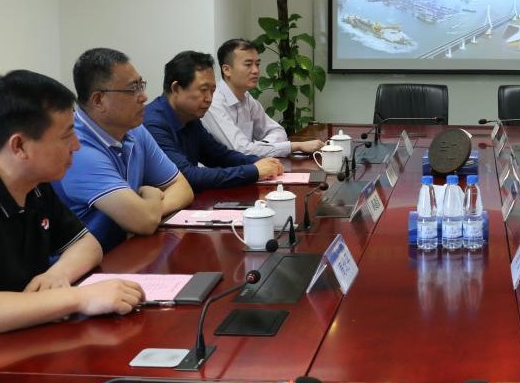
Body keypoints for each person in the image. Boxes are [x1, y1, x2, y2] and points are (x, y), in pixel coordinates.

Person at [0, 70, 144, 375]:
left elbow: (87, 244)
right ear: (19, 146)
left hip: (14, 341)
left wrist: (59, 274)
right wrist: (77, 298)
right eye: (66, 136)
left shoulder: (33, 183)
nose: (76, 145)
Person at [53, 48, 193, 251]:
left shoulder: (134, 129)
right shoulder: (77, 149)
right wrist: (151, 196)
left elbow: (182, 187)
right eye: (132, 89)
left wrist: (151, 210)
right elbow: (144, 222)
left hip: (124, 250)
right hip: (85, 263)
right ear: (98, 100)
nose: (143, 97)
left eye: (141, 85)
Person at [144, 50, 283, 192]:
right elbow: (186, 177)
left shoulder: (190, 117)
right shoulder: (152, 124)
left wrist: (258, 161)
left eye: (212, 91)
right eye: (203, 90)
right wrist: (254, 171)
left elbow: (219, 156)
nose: (209, 99)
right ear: (176, 88)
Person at [202, 38, 324, 157]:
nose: (256, 70)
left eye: (257, 64)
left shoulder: (246, 98)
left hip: (248, 166)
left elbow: (278, 131)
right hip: (220, 169)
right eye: (248, 64)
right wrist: (294, 146)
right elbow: (240, 151)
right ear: (226, 70)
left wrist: (262, 147)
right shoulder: (213, 102)